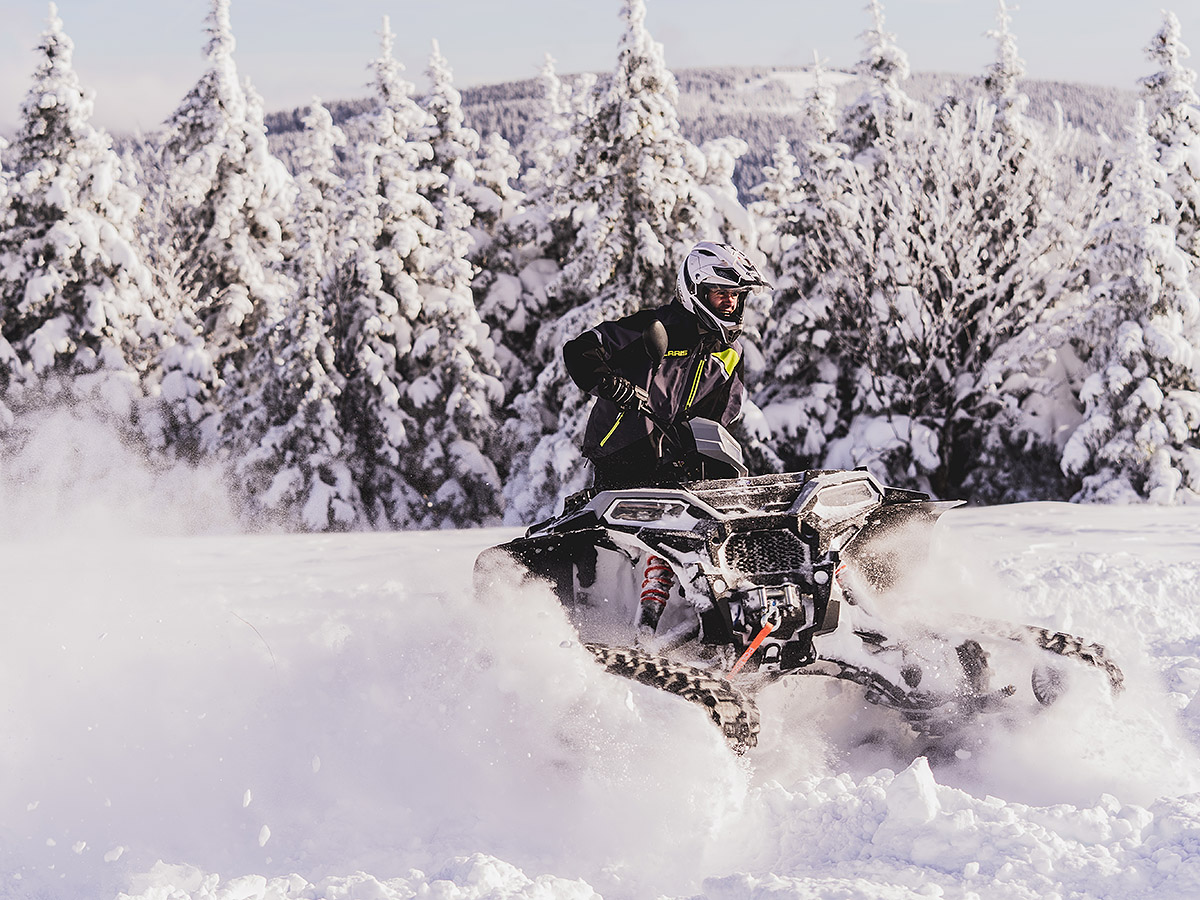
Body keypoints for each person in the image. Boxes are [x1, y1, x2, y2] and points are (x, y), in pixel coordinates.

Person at [563, 241, 770, 490]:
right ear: (697, 290)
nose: (730, 303)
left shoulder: (730, 353)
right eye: (721, 293)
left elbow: (723, 419)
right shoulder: (653, 327)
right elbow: (580, 350)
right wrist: (608, 383)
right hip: (624, 459)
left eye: (735, 295)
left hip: (683, 471)